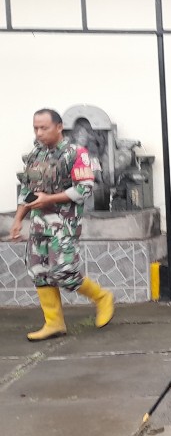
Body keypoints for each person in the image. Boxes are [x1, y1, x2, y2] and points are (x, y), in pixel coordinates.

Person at [10, 108, 115, 341]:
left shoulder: (76, 153)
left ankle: (102, 297)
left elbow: (85, 187)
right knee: (40, 273)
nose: (39, 133)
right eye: (35, 128)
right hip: (38, 225)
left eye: (44, 128)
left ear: (58, 127)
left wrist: (50, 199)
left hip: (63, 225)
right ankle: (54, 323)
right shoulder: (35, 155)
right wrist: (18, 219)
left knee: (65, 272)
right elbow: (28, 191)